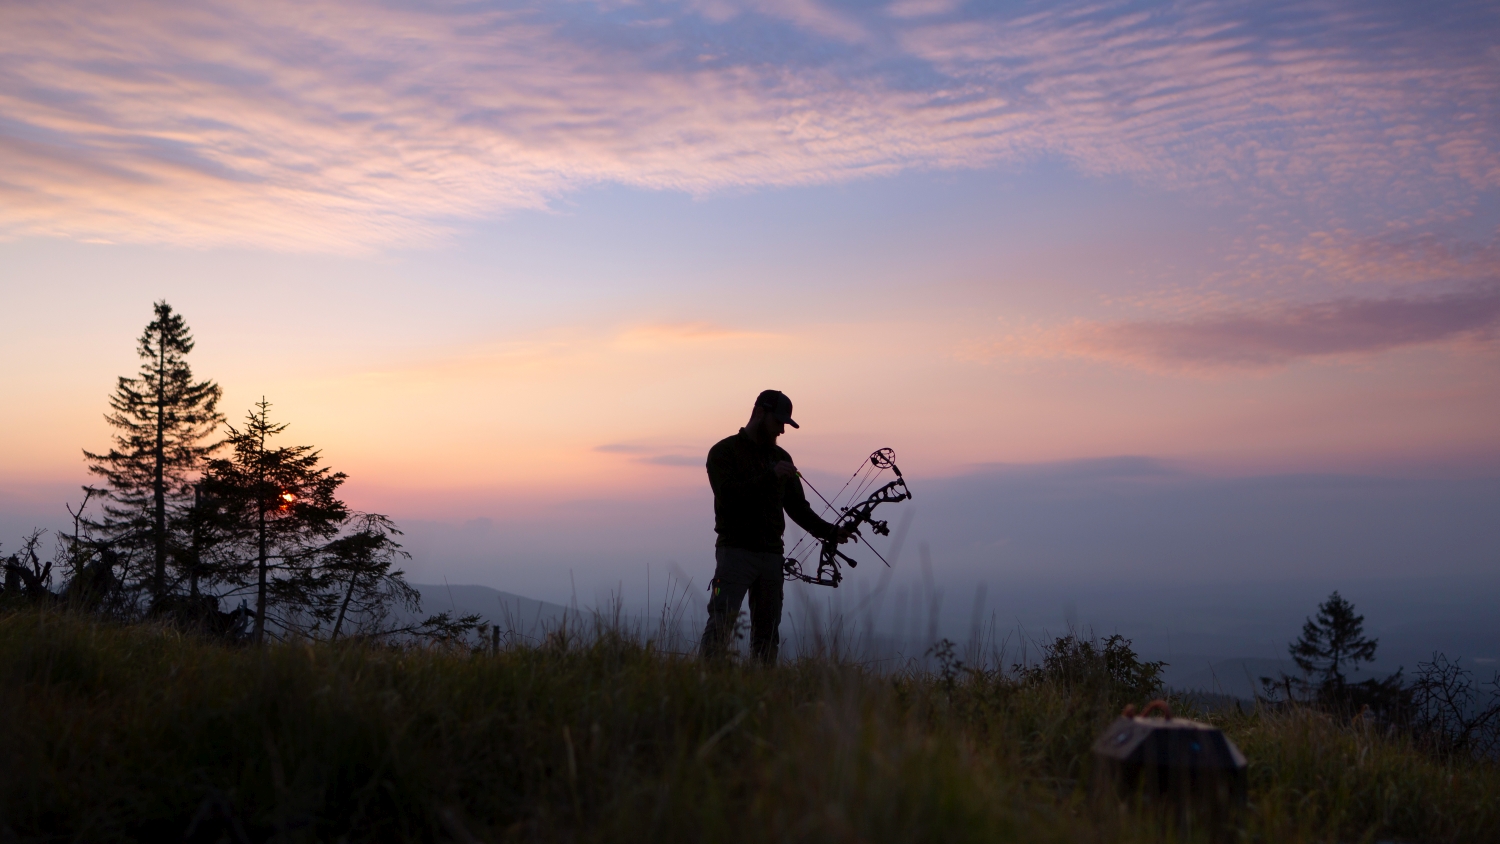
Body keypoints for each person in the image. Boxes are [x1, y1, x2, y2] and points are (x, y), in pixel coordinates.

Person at [701, 389, 852, 663]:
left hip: (772, 557)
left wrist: (830, 532)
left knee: (767, 634)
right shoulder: (723, 452)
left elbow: (798, 509)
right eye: (778, 422)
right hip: (735, 553)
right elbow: (728, 495)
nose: (782, 430)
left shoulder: (782, 457)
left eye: (786, 424)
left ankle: (763, 692)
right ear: (760, 412)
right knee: (721, 625)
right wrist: (770, 477)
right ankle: (706, 685)